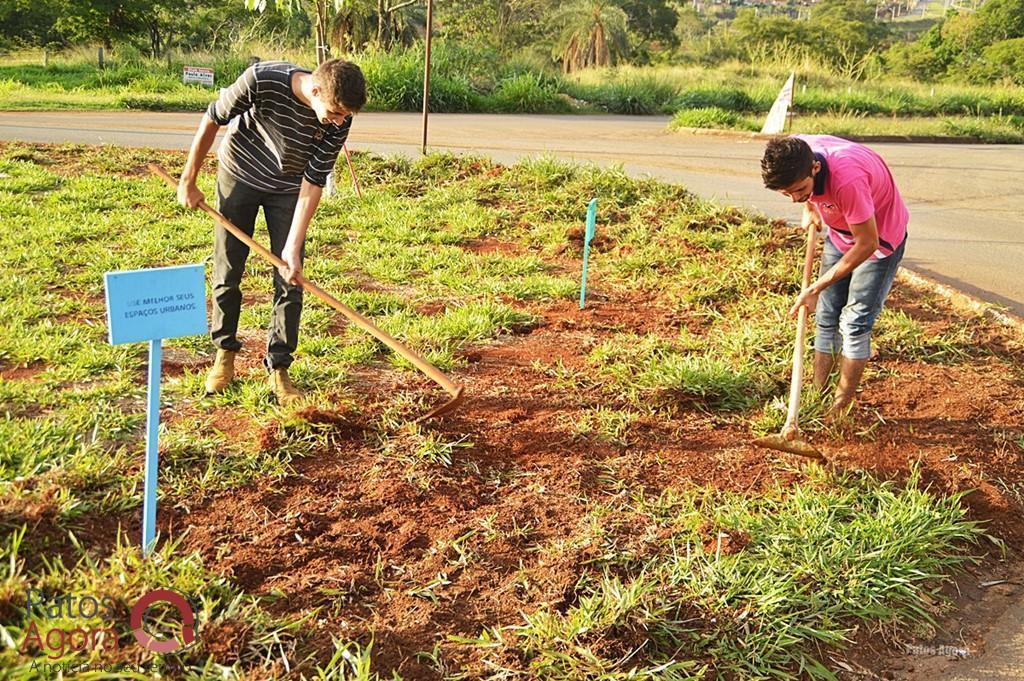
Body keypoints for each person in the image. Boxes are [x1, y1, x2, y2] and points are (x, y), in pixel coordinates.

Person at [177, 59, 366, 405]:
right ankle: (225, 354)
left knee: (291, 277)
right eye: (335, 112)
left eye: (344, 116)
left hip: (289, 190)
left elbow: (313, 181)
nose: (339, 120)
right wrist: (188, 180)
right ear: (316, 89)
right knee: (228, 270)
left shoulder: (341, 118)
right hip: (239, 177)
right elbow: (213, 118)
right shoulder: (262, 79)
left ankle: (278, 367)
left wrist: (292, 248)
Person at [760, 135, 909, 416]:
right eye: (786, 193)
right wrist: (808, 205)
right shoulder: (797, 151)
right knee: (827, 317)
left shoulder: (847, 180)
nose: (793, 198)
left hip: (879, 238)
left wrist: (817, 286)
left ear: (815, 168)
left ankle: (839, 410)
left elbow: (867, 243)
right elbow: (802, 191)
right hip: (841, 233)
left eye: (800, 190)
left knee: (854, 323)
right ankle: (818, 399)